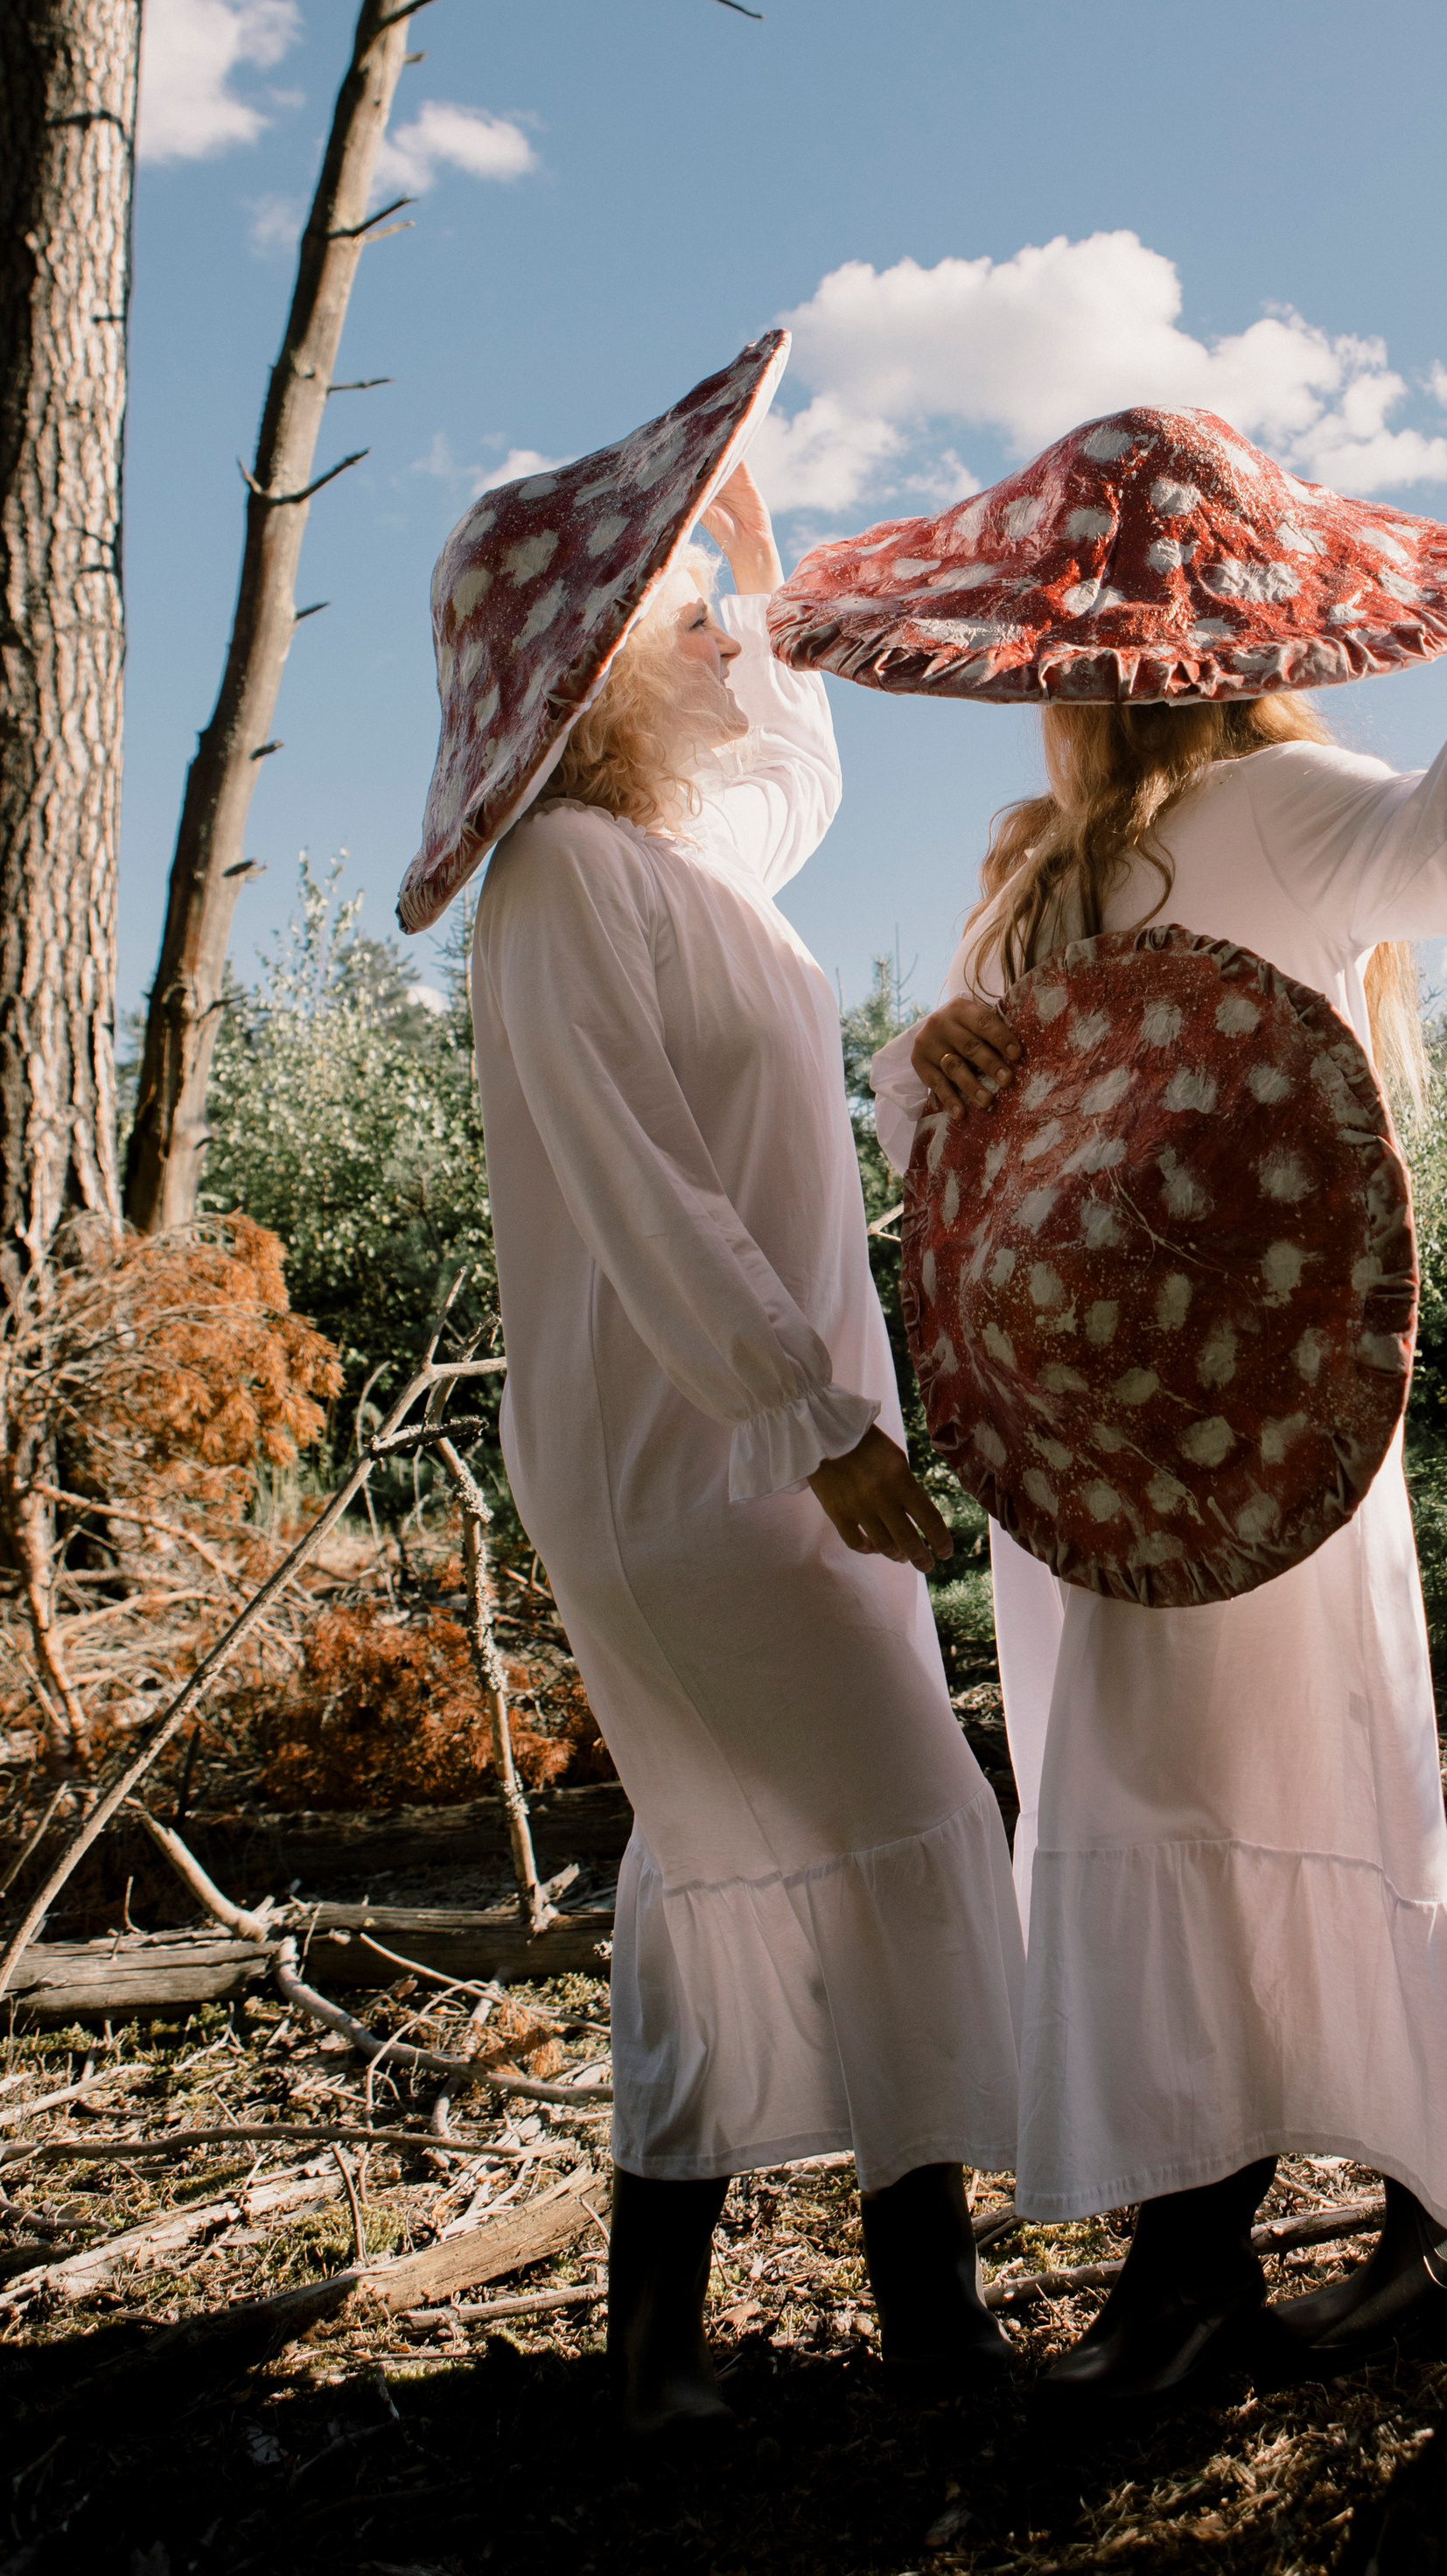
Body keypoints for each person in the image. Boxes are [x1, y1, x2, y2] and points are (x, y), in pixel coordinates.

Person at [831, 408, 1447, 2401]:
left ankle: (1375, 2221)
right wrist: (937, 1056)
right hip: (1087, 1451)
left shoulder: (1287, 810)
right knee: (1137, 1812)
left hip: (1261, 1431)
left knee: (1287, 1794)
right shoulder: (1038, 875)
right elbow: (923, 1123)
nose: (1079, 680)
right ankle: (1232, 2251)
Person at [459, 438, 1023, 2431]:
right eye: (681, 605)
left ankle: (648, 2350)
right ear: (594, 666)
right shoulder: (559, 879)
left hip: (751, 1450)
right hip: (687, 1462)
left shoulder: (692, 860)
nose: (721, 628)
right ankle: (939, 2341)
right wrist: (808, 1418)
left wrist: (765, 568)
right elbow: (639, 1187)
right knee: (909, 1828)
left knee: (700, 1868)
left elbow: (792, 766)